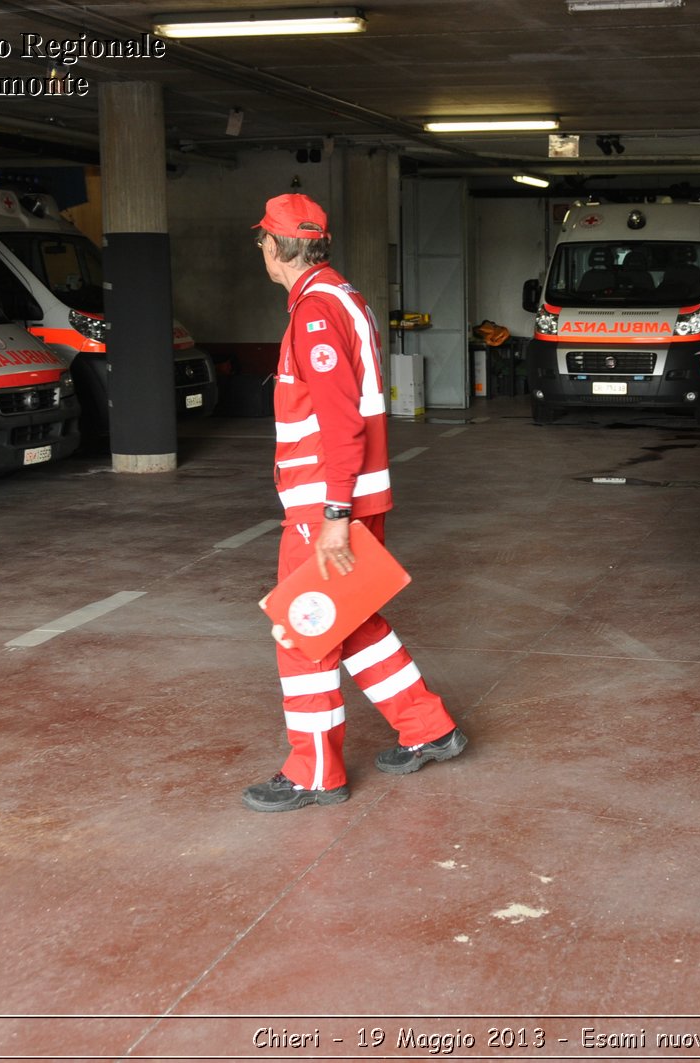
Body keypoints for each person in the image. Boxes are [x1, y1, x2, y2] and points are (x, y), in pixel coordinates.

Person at [243, 193, 467, 812]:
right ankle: (429, 727)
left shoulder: (314, 313)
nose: (261, 249)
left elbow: (340, 424)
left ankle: (315, 773)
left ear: (275, 245)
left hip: (327, 504)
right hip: (353, 497)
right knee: (352, 620)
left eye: (262, 239)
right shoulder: (345, 298)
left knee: (303, 630)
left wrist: (334, 517)